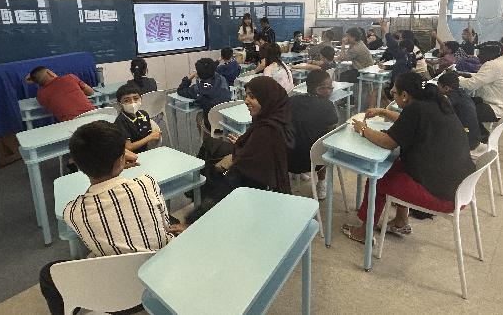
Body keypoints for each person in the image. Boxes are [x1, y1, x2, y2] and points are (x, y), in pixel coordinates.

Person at [39, 121, 182, 315]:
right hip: (160, 284)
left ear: (77, 164)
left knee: (49, 273)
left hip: (113, 300)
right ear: (122, 158)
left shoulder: (73, 212)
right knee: (169, 223)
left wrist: (115, 165)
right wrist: (119, 167)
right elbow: (164, 224)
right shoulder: (146, 184)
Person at [343, 72, 475, 242]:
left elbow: (388, 143)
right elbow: (410, 121)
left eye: (394, 91)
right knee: (396, 166)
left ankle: (364, 233)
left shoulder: (416, 109)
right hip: (460, 186)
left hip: (444, 196)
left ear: (404, 95)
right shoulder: (435, 101)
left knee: (378, 180)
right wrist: (384, 112)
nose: (392, 93)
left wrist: (363, 129)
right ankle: (400, 221)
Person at [186, 77, 293, 222]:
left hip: (256, 186)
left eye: (252, 97)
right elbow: (258, 148)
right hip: (256, 168)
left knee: (211, 164)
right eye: (246, 95)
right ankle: (198, 190)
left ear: (266, 98)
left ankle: (198, 192)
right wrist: (245, 143)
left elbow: (236, 177)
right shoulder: (277, 116)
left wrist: (194, 219)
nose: (246, 101)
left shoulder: (266, 131)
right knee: (210, 144)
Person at [459, 41, 503, 143]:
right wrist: (465, 75)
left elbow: (471, 84)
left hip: (501, 108)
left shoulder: (492, 65)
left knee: (463, 110)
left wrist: (456, 78)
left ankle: (479, 138)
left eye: (481, 53)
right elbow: (485, 77)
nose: (478, 56)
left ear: (491, 53)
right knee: (466, 102)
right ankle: (481, 134)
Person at [288, 70, 338, 199]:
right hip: (314, 160)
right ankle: (321, 183)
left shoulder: (292, 100)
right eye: (329, 87)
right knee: (324, 146)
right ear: (319, 89)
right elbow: (330, 134)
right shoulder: (328, 106)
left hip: (288, 158)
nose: (331, 90)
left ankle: (298, 174)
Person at [177, 58, 231, 130]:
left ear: (198, 73)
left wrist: (191, 76)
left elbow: (180, 90)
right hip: (229, 123)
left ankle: (206, 136)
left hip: (212, 126)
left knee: (199, 116)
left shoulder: (197, 89)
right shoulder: (222, 79)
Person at [27, 66, 95, 121]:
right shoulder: (70, 77)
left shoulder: (40, 96)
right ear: (49, 72)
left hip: (71, 124)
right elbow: (90, 92)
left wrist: (36, 79)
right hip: (93, 115)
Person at [437, 72, 481, 151]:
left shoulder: (452, 97)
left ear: (446, 88)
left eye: (438, 86)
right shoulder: (462, 93)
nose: (437, 89)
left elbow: (441, 108)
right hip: (474, 137)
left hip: (465, 143)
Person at [114, 84, 161, 153]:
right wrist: (150, 137)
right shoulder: (121, 121)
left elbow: (150, 134)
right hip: (131, 155)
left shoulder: (144, 114)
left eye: (136, 98)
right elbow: (128, 147)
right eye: (127, 100)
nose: (132, 103)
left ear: (141, 99)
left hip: (145, 151)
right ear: (119, 104)